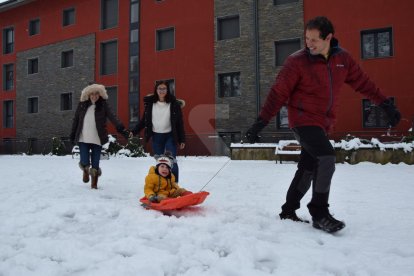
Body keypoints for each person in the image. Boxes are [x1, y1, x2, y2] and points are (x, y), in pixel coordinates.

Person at [246, 16, 401, 233]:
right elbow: (277, 94)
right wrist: (260, 123)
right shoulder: (296, 62)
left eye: (313, 40)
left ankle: (288, 210)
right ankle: (319, 212)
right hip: (302, 121)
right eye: (306, 38)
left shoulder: (343, 60)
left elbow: (364, 84)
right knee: (325, 156)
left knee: (308, 166)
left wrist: (385, 105)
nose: (308, 44)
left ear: (328, 38)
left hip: (323, 123)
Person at [70, 83, 129, 189]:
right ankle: (85, 170)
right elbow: (76, 120)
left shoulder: (103, 105)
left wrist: (122, 129)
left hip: (97, 137)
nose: (94, 96)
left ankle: (94, 183)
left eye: (96, 93)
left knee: (95, 162)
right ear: (88, 94)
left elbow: (113, 117)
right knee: (84, 160)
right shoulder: (82, 104)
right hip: (83, 137)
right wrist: (72, 133)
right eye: (92, 94)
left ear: (100, 94)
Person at [131, 81, 186, 182]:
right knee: (160, 161)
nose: (162, 91)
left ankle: (174, 184)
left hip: (170, 135)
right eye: (159, 88)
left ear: (167, 90)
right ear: (156, 90)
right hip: (156, 136)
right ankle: (162, 184)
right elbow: (144, 121)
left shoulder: (174, 104)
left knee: (171, 159)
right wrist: (133, 131)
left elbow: (179, 123)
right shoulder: (150, 104)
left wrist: (182, 139)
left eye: (164, 88)